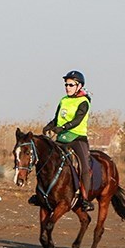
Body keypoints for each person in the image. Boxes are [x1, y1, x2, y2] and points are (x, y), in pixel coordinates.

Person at [38, 70, 94, 212]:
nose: (67, 87)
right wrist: (49, 126)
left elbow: (77, 120)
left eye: (70, 85)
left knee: (85, 168)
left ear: (79, 86)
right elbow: (57, 118)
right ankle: (40, 194)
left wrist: (62, 127)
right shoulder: (63, 100)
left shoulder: (84, 101)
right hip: (62, 139)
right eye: (66, 85)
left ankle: (85, 199)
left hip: (77, 138)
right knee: (46, 161)